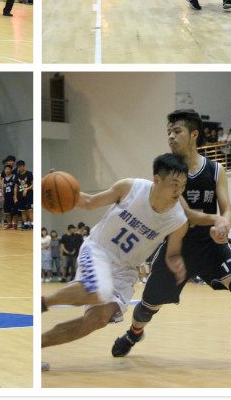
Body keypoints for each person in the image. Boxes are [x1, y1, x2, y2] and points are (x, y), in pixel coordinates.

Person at [111, 109, 231, 366]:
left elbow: (226, 209)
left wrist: (224, 223)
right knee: (148, 306)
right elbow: (186, 214)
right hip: (176, 248)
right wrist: (216, 220)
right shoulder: (167, 171)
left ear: (194, 134)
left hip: (210, 246)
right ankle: (133, 333)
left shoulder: (216, 170)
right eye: (168, 132)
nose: (171, 136)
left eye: (177, 131)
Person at [41, 154, 190, 366]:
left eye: (183, 185)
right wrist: (50, 189)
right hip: (99, 249)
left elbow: (172, 254)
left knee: (98, 319)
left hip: (126, 270)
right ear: (157, 179)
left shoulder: (178, 220)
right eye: (174, 184)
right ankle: (42, 303)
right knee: (98, 291)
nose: (179, 191)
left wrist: (176, 262)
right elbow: (89, 202)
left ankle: (36, 346)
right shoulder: (130, 188)